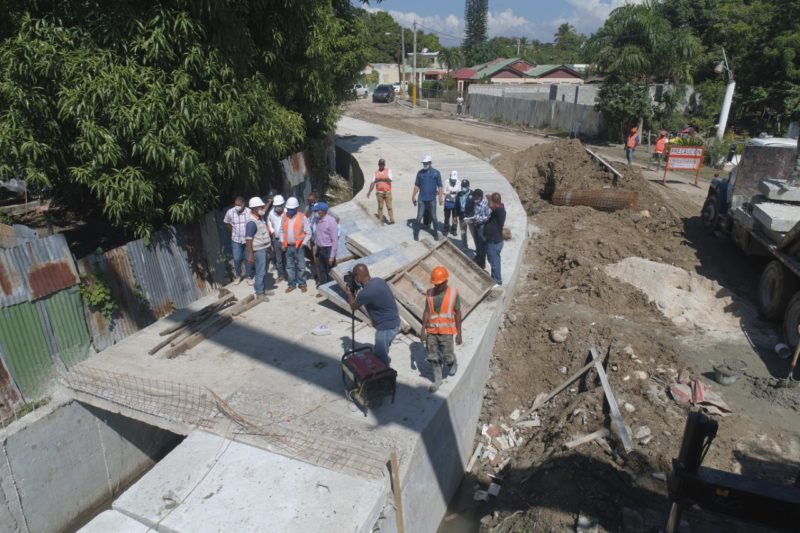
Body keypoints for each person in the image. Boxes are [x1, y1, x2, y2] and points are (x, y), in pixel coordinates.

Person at [345, 263, 401, 366]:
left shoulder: (366, 292)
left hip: (386, 328)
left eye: (354, 276)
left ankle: (385, 378)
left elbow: (353, 306)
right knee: (382, 351)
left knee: (381, 358)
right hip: (394, 322)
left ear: (358, 276)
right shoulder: (378, 281)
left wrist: (349, 293)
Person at [422, 266, 462, 392]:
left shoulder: (453, 293)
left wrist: (459, 333)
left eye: (439, 284)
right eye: (435, 284)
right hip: (432, 331)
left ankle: (452, 361)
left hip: (446, 332)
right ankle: (438, 380)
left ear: (446, 281)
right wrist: (423, 329)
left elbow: (458, 313)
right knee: (433, 356)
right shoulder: (429, 294)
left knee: (447, 355)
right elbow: (427, 312)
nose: (437, 286)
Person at [281, 196, 311, 293]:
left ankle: (302, 284)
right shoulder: (284, 216)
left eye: (292, 209)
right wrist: (282, 241)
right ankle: (291, 284)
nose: (289, 211)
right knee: (289, 267)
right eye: (288, 209)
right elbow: (281, 230)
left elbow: (308, 232)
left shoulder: (303, 217)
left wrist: (304, 243)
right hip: (288, 246)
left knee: (301, 266)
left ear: (296, 208)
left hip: (299, 247)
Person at [245, 197, 271, 300]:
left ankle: (263, 289)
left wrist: (269, 246)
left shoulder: (259, 218)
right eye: (260, 207)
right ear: (255, 208)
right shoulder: (251, 222)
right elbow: (248, 240)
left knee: (264, 271)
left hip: (264, 248)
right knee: (260, 272)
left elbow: (263, 233)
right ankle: (260, 293)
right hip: (258, 251)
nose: (262, 208)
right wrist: (250, 255)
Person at [412, 155, 443, 241]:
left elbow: (440, 186)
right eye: (424, 163)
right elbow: (417, 186)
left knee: (434, 217)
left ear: (430, 163)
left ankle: (435, 233)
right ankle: (416, 233)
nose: (424, 164)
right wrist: (413, 196)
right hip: (422, 199)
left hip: (432, 199)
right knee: (419, 217)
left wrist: (440, 198)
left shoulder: (436, 173)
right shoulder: (420, 173)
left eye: (426, 163)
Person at [223, 196, 253, 285]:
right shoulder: (230, 212)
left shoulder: (249, 212)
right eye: (236, 205)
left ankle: (249, 276)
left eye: (239, 205)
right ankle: (239, 276)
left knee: (247, 258)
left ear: (244, 204)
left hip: (247, 240)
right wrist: (232, 230)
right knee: (237, 258)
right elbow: (226, 222)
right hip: (236, 239)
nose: (237, 207)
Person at [312, 202, 338, 287]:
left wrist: (332, 256)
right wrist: (316, 246)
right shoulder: (318, 220)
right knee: (322, 270)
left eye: (317, 211)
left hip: (328, 249)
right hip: (320, 249)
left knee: (330, 271)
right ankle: (324, 288)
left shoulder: (331, 221)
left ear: (322, 211)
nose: (315, 213)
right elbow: (318, 235)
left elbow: (334, 240)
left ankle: (332, 288)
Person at [484, 192, 506, 286]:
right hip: (492, 240)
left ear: (495, 201)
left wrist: (489, 199)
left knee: (494, 261)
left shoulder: (500, 210)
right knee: (492, 259)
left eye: (492, 200)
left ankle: (497, 281)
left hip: (495, 241)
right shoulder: (498, 208)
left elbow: (491, 205)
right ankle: (494, 278)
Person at [465, 188, 490, 268]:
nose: (474, 200)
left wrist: (478, 219)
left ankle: (482, 263)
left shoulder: (486, 204)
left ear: (480, 197)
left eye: (475, 198)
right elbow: (476, 213)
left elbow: (488, 217)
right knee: (477, 243)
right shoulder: (476, 202)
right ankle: (478, 257)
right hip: (476, 224)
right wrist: (470, 220)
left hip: (482, 226)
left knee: (482, 245)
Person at [367, 158, 395, 225]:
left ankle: (392, 220)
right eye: (380, 164)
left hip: (387, 193)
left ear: (384, 165)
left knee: (389, 207)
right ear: (378, 165)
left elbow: (390, 179)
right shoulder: (375, 173)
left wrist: (379, 179)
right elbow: (373, 183)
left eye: (382, 164)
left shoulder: (388, 170)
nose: (381, 166)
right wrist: (369, 192)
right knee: (380, 207)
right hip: (379, 193)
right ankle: (381, 220)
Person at [267, 194, 288, 282]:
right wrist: (272, 232)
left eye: (279, 206)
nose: (278, 208)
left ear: (283, 205)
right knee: (278, 259)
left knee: (287, 258)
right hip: (276, 239)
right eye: (276, 206)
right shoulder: (271, 213)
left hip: (287, 239)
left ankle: (288, 274)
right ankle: (281, 275)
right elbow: (269, 222)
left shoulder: (287, 212)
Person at [456, 179, 476, 249]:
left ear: (468, 186)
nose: (463, 188)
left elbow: (475, 207)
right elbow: (456, 205)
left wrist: (470, 217)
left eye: (464, 186)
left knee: (473, 233)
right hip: (462, 216)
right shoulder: (459, 194)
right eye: (462, 186)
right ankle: (464, 245)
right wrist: (455, 216)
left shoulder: (473, 194)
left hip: (470, 217)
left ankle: (478, 247)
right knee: (463, 232)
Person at [443, 170, 461, 236]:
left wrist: (457, 193)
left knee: (455, 217)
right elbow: (444, 192)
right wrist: (449, 193)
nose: (453, 180)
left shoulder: (459, 182)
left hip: (455, 202)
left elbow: (460, 191)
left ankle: (454, 229)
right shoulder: (446, 181)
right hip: (448, 201)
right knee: (447, 217)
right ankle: (446, 229)